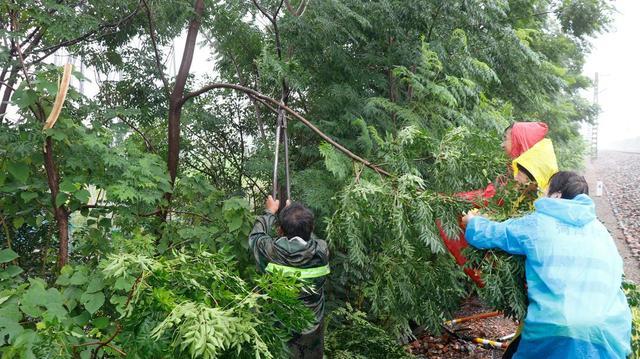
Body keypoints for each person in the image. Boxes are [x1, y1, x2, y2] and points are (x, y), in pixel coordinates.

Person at [463, 171, 632, 358]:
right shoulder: (601, 231)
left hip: (555, 326)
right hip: (608, 329)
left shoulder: (538, 223)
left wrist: (471, 222)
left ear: (556, 195)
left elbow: (493, 233)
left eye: (546, 191)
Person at [249, 195, 330, 359]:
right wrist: (298, 220)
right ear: (311, 228)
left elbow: (255, 237)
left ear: (280, 231)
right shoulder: (322, 251)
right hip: (311, 336)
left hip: (280, 328)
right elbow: (309, 240)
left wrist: (270, 212)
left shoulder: (270, 252)